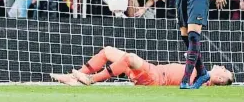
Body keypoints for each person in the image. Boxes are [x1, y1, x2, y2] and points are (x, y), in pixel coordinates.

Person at [51, 46, 233, 87]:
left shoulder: (202, 82)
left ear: (219, 78)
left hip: (155, 77)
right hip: (153, 71)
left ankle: (90, 80)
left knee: (129, 58)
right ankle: (74, 77)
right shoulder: (199, 73)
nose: (222, 66)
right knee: (107, 51)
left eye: (224, 71)